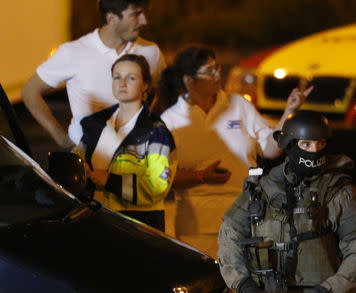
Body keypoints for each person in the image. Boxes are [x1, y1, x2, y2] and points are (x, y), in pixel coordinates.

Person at [159, 47, 306, 257]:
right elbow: (165, 177)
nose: (218, 75)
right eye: (209, 71)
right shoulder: (170, 120)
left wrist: (289, 112)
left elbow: (270, 148)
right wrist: (201, 176)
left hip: (245, 220)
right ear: (189, 81)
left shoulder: (238, 105)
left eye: (217, 68)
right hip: (196, 230)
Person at [217, 110, 356, 293]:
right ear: (290, 145)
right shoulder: (263, 188)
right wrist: (243, 284)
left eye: (320, 144)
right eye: (306, 144)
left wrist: (329, 289)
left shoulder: (337, 191)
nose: (314, 151)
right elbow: (230, 236)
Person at [22, 0, 165, 149]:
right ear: (111, 18)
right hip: (88, 163)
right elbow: (30, 91)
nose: (144, 21)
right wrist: (63, 140)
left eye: (144, 13)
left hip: (134, 160)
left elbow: (161, 92)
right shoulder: (73, 52)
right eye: (136, 14)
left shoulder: (150, 52)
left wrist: (151, 127)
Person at [73, 54, 176, 232]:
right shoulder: (94, 125)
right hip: (95, 222)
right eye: (117, 77)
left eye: (131, 78)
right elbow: (74, 164)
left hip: (140, 230)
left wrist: (109, 180)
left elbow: (157, 186)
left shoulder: (156, 132)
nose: (122, 83)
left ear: (145, 85)